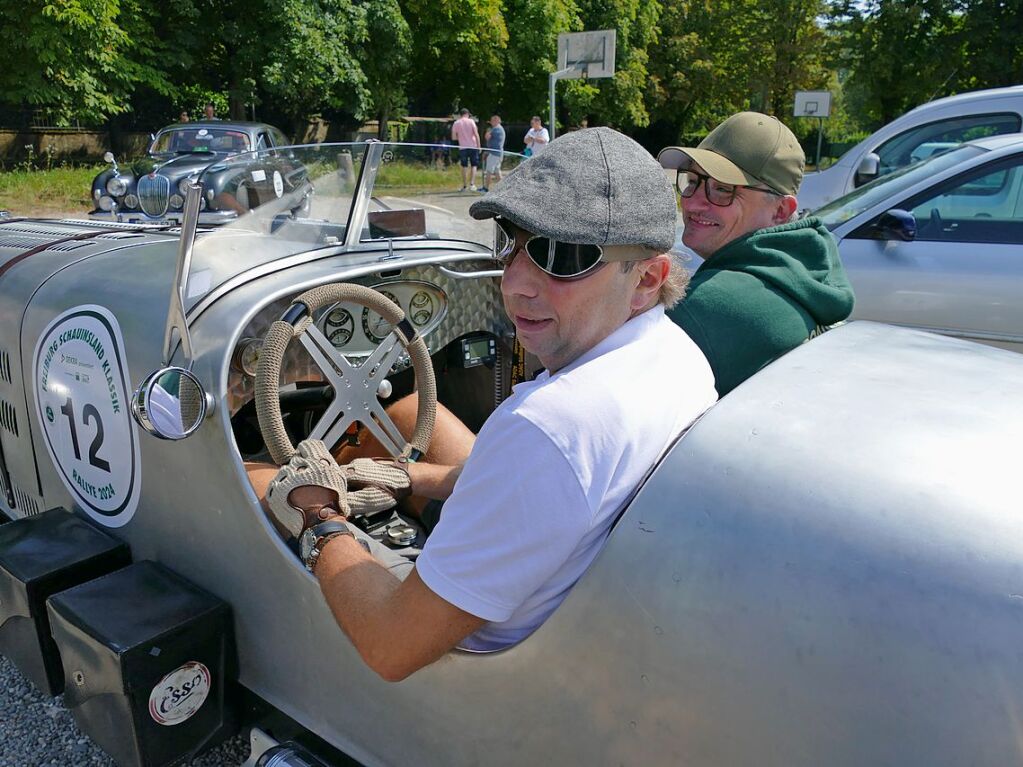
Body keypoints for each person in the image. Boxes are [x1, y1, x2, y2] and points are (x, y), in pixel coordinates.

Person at [256, 128, 717, 681]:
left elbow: (390, 646)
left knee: (257, 476)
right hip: (564, 581)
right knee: (403, 410)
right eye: (511, 243)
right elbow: (547, 473)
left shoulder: (552, 427)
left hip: (460, 648)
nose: (515, 283)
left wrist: (320, 512)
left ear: (647, 277)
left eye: (560, 256)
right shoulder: (675, 352)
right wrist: (412, 479)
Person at [657, 111, 855, 396]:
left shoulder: (709, 305)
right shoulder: (810, 274)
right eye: (692, 181)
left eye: (723, 189)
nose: (692, 203)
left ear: (780, 211)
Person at [451, 108, 481, 191]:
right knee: (474, 165)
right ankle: (472, 184)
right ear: (467, 114)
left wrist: (461, 137)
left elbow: (453, 137)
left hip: (463, 147)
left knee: (464, 166)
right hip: (473, 146)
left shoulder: (456, 123)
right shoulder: (471, 121)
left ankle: (464, 185)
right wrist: (479, 146)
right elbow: (476, 134)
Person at [480, 114, 505, 193]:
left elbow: (487, 137)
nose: (490, 122)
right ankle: (503, 188)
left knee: (489, 171)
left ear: (496, 121)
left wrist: (488, 131)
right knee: (497, 171)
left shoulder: (496, 129)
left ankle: (486, 188)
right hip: (497, 153)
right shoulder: (499, 128)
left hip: (494, 153)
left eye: (492, 121)